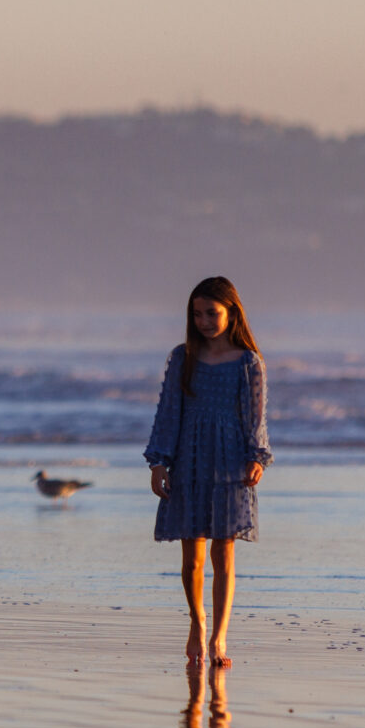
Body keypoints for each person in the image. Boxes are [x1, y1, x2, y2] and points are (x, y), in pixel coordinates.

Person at [145, 275, 271, 669]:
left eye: (211, 313)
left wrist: (257, 457)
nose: (203, 321)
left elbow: (255, 417)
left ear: (231, 312)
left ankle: (220, 636)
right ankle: (197, 624)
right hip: (190, 458)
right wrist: (159, 461)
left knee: (224, 554)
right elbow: (168, 413)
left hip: (231, 460)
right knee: (192, 558)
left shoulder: (249, 362)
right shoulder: (183, 357)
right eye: (197, 314)